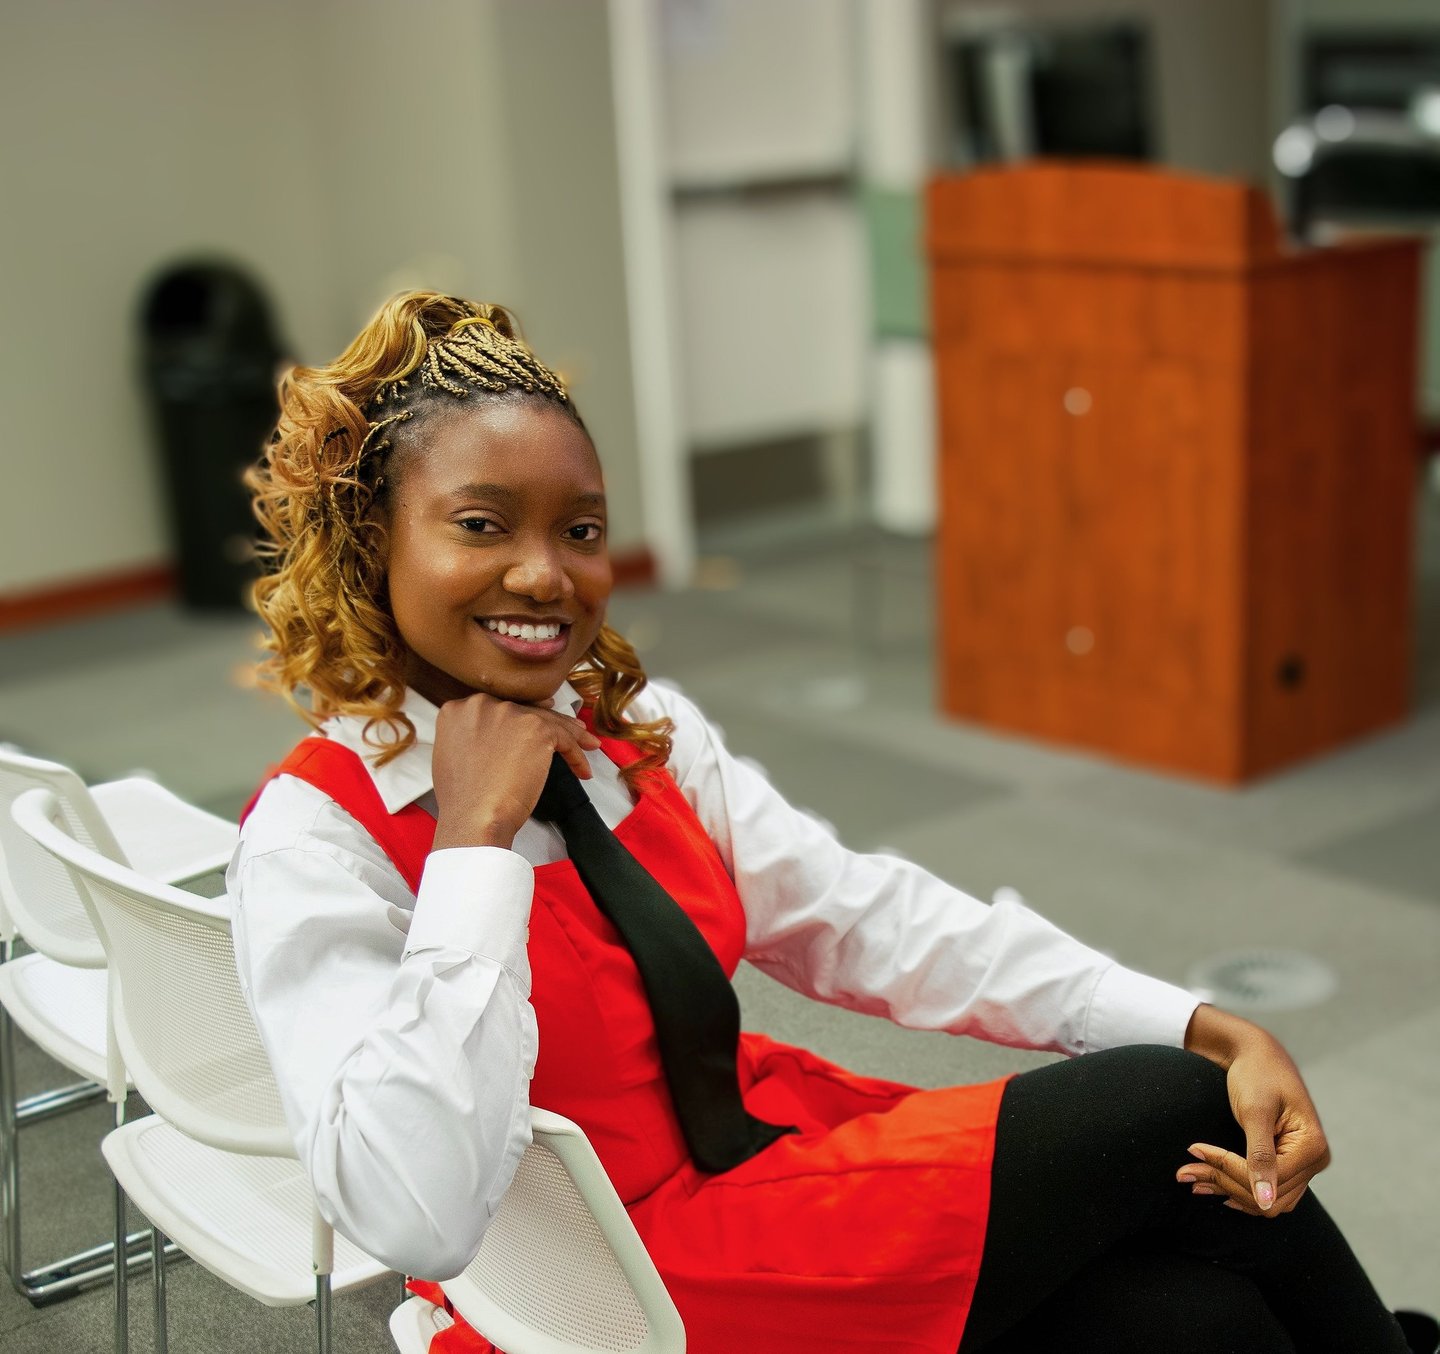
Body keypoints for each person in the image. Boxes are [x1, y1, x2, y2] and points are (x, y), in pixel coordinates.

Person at [232, 291, 1423, 1354]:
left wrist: (1201, 1016)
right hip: (597, 1287)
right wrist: (473, 852)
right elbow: (416, 1214)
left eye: (580, 530)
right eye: (483, 524)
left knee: (1197, 1320)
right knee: (1170, 1103)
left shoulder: (631, 729)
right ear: (373, 540)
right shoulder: (315, 835)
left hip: (760, 1162)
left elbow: (863, 920)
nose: (546, 574)